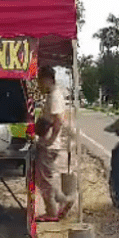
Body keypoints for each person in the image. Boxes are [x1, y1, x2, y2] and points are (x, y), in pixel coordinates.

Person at [34, 66, 75, 222]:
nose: (39, 85)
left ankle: (53, 210)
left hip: (49, 144)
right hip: (47, 142)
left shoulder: (55, 96)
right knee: (45, 177)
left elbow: (58, 120)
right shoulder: (52, 95)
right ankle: (61, 200)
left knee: (45, 179)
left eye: (40, 81)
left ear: (47, 79)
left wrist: (50, 140)